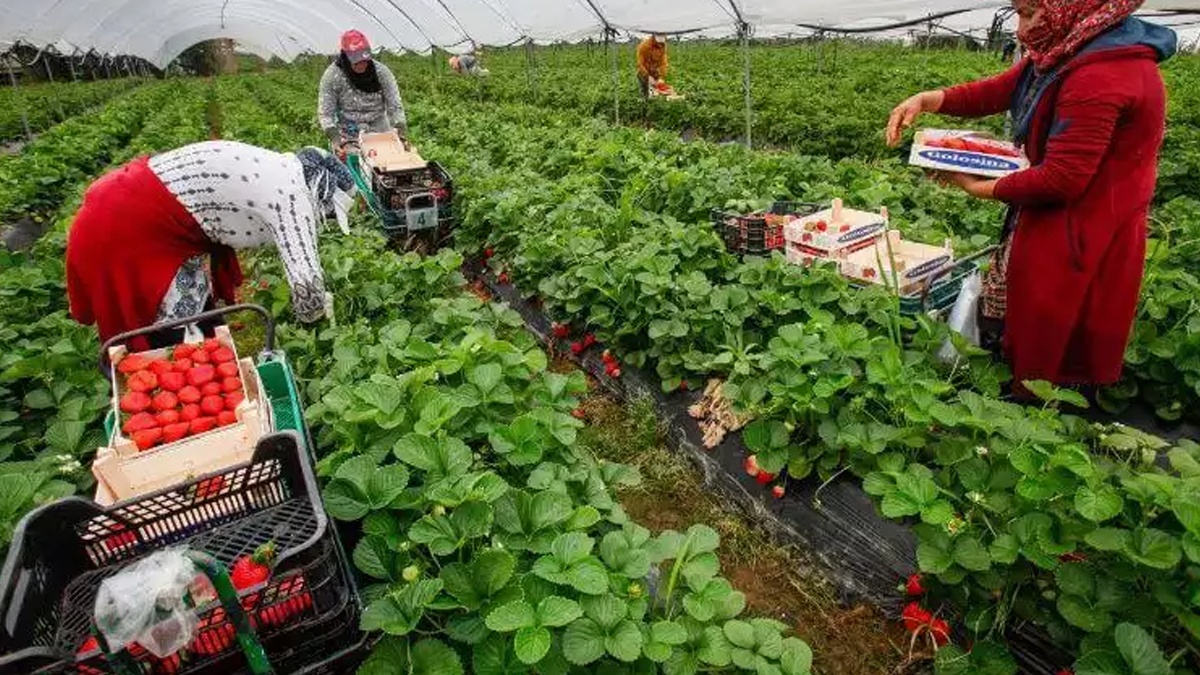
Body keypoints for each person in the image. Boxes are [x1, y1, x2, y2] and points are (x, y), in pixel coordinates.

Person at [885, 0, 1176, 396]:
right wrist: (929, 98)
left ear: (1067, 9)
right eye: (1018, 12)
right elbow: (1002, 89)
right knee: (1028, 315)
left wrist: (976, 186)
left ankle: (1043, 419)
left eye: (1029, 13)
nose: (1021, 30)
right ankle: (1021, 390)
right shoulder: (1071, 49)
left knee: (1056, 330)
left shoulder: (1103, 74)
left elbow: (1060, 179)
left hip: (1083, 228)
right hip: (1059, 218)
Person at [66, 141, 356, 349]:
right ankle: (180, 370)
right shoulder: (292, 196)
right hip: (126, 223)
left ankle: (205, 352)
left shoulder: (282, 167)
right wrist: (321, 330)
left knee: (196, 304)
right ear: (321, 194)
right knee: (174, 318)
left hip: (133, 202)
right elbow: (305, 282)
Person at [318, 30, 407, 159]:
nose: (361, 65)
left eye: (364, 60)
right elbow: (326, 113)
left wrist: (400, 131)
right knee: (353, 167)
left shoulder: (381, 72)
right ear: (346, 57)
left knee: (387, 163)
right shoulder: (333, 76)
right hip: (349, 133)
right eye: (356, 61)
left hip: (379, 130)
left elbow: (395, 105)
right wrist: (335, 139)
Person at [636, 34, 669, 99]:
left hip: (655, 72)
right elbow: (640, 64)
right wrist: (648, 76)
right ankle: (644, 103)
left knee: (656, 91)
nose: (660, 44)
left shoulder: (663, 47)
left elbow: (663, 63)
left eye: (661, 43)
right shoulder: (644, 47)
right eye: (658, 43)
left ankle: (653, 101)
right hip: (643, 72)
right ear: (654, 39)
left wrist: (661, 75)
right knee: (645, 91)